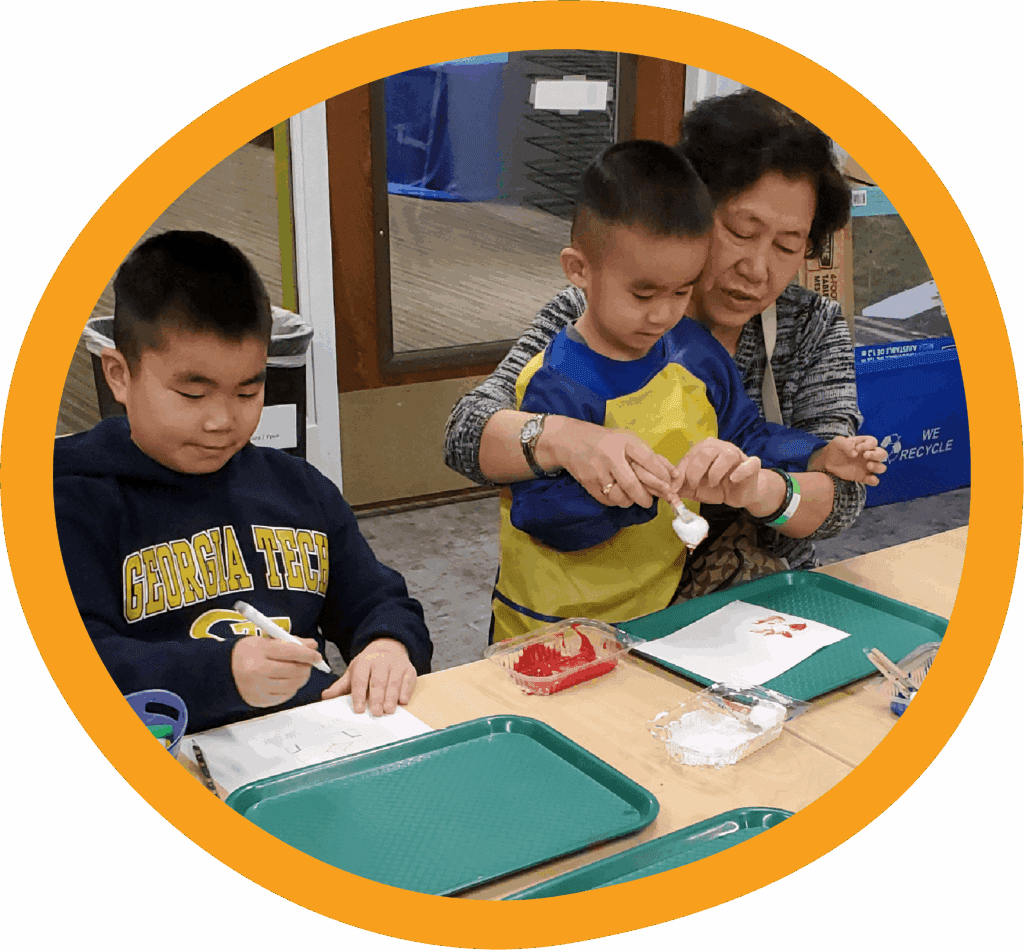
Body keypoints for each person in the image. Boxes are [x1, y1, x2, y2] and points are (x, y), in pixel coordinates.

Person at [446, 89, 884, 577]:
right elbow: (466, 432)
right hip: (602, 594)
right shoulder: (594, 315)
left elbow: (841, 497)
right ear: (691, 213)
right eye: (740, 232)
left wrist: (762, 488)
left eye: (787, 245)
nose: (757, 269)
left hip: (756, 592)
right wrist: (565, 439)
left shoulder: (810, 325)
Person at [54, 230, 433, 733]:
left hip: (305, 753)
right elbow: (64, 665)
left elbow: (379, 599)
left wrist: (389, 644)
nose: (221, 421)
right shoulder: (70, 499)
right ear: (119, 375)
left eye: (247, 391)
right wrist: (220, 674)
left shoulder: (298, 489)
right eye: (193, 395)